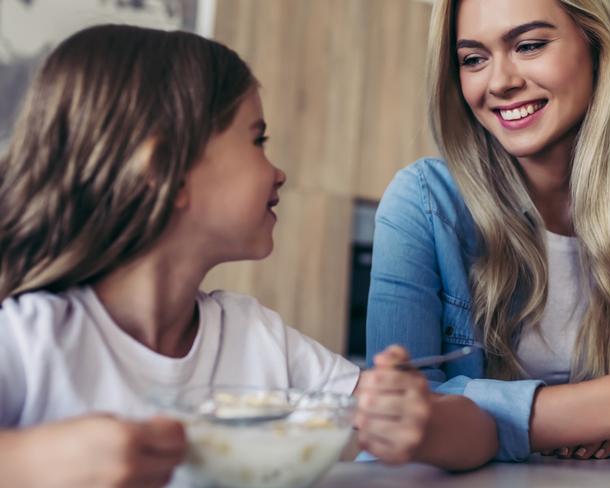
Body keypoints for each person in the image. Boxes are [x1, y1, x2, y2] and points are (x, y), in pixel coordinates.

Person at [0, 24, 497, 487]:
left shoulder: (255, 338)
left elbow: (479, 434)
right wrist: (29, 461)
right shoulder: (29, 337)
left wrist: (421, 423)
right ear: (163, 171)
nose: (278, 172)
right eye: (257, 139)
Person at [367, 0, 610, 465]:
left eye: (529, 45)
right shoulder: (423, 202)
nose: (499, 82)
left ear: (597, 46)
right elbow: (399, 415)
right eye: (473, 59)